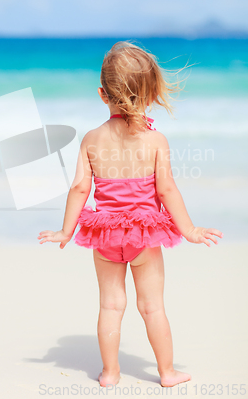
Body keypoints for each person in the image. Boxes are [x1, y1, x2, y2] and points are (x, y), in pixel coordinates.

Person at [38, 41, 223, 388]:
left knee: (110, 306)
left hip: (104, 235)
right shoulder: (156, 141)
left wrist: (65, 232)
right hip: (143, 235)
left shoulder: (91, 139)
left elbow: (79, 188)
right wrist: (190, 229)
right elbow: (167, 190)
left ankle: (110, 373)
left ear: (102, 94)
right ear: (151, 93)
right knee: (152, 307)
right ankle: (166, 373)